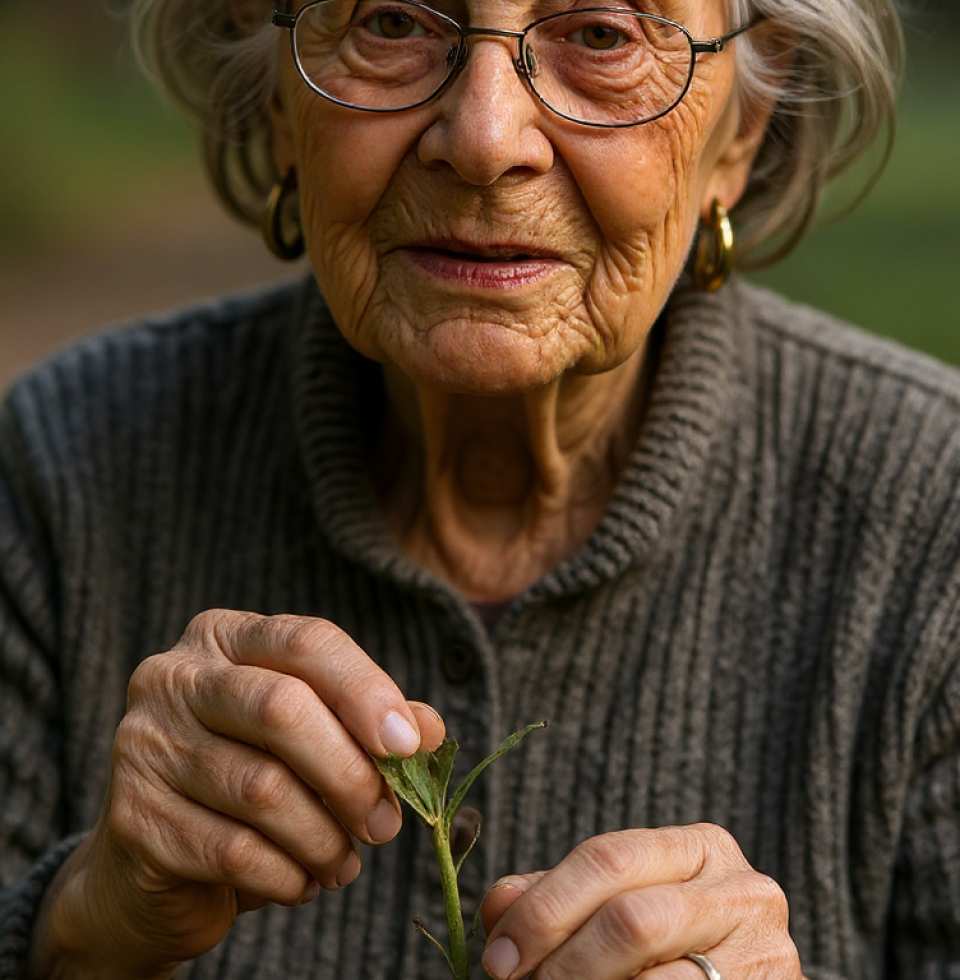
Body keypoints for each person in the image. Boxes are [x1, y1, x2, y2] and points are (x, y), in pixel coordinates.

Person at [1, 0, 957, 976]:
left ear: (741, 124)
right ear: (279, 97)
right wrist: (81, 925)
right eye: (390, 21)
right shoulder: (66, 469)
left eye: (602, 35)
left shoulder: (935, 521)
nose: (486, 137)